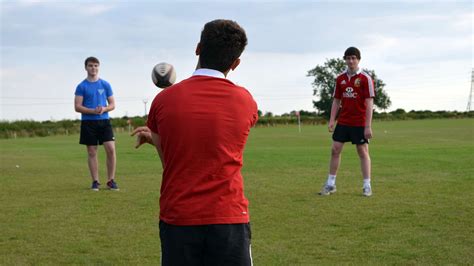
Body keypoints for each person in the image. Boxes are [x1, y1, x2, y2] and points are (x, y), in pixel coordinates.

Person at [132, 19, 258, 265]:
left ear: (198, 48)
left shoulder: (163, 101)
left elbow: (170, 162)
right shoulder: (245, 101)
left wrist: (156, 138)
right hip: (229, 217)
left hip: (179, 217)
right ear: (236, 63)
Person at [319, 47, 375, 197]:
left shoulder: (365, 79)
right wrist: (332, 120)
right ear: (345, 59)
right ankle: (331, 184)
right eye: (348, 58)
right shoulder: (340, 79)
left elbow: (369, 103)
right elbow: (336, 101)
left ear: (358, 59)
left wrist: (368, 126)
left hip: (359, 122)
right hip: (343, 121)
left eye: (353, 58)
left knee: (362, 151)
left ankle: (367, 185)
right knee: (335, 149)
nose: (351, 61)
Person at [74, 56, 119, 191]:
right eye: (90, 65)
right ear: (86, 67)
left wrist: (104, 109)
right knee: (92, 152)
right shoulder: (81, 86)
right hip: (88, 123)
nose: (93, 68)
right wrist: (92, 111)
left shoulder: (105, 84)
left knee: (111, 149)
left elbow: (112, 104)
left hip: (104, 122)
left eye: (95, 65)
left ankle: (111, 180)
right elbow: (77, 106)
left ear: (98, 67)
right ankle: (95, 181)